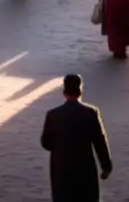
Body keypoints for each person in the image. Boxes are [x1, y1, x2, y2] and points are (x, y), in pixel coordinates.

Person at [41, 74, 113, 202]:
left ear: (64, 92)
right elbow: (99, 142)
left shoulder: (53, 115)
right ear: (80, 91)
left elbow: (46, 143)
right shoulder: (91, 113)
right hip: (84, 169)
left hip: (61, 169)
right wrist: (106, 166)